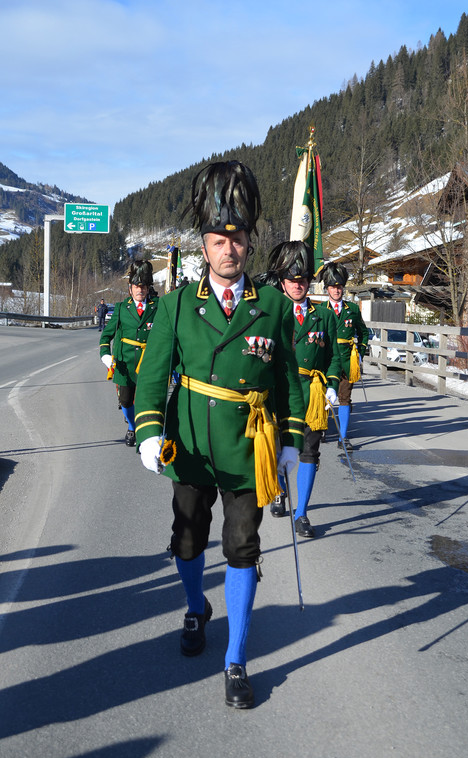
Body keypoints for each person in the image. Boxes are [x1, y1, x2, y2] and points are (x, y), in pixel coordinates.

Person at [134, 161, 305, 709]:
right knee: (186, 540)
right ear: (204, 246)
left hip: (247, 450)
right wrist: (148, 430)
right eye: (218, 240)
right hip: (188, 447)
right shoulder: (177, 306)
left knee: (242, 546)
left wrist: (290, 440)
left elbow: (287, 379)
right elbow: (153, 376)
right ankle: (195, 607)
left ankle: (235, 659)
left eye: (237, 238)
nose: (228, 248)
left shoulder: (273, 307)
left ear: (249, 242)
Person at [265, 242, 343, 538]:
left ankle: (302, 514)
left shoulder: (324, 316)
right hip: (279, 392)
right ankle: (279, 491)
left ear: (309, 282)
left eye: (302, 280)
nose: (297, 285)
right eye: (291, 280)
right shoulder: (270, 313)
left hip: (311, 393)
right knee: (277, 448)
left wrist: (332, 385)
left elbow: (333, 356)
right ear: (282, 281)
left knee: (310, 452)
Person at [99, 260, 159, 447]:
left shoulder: (158, 307)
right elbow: (106, 336)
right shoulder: (121, 308)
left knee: (146, 402)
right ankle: (132, 426)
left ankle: (142, 432)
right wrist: (105, 355)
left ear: (148, 289)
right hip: (125, 364)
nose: (140, 290)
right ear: (130, 289)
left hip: (148, 364)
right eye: (136, 287)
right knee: (125, 401)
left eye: (143, 287)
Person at [320, 262, 369, 451]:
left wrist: (360, 354)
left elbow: (363, 333)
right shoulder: (321, 310)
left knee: (345, 398)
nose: (336, 290)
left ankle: (343, 436)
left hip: (347, 361)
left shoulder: (352, 309)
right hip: (326, 361)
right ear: (327, 289)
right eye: (333, 287)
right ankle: (321, 426)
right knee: (323, 395)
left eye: (339, 286)